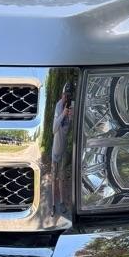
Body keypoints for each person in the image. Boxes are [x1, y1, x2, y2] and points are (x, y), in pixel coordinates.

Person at [52, 82, 74, 213]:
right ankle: (53, 205)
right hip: (56, 149)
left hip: (64, 148)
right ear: (62, 94)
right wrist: (64, 114)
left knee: (62, 176)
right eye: (65, 95)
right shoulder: (58, 106)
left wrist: (71, 117)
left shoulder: (72, 106)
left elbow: (68, 130)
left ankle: (61, 203)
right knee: (53, 178)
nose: (66, 98)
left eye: (68, 96)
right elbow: (54, 129)